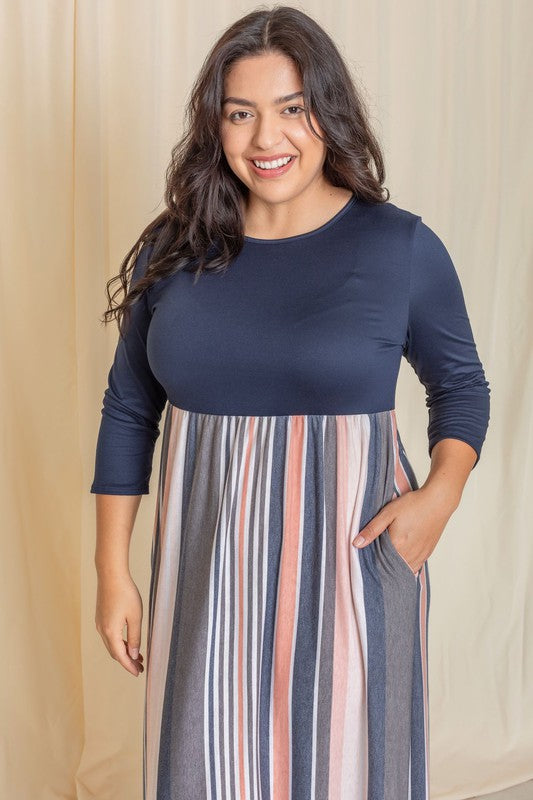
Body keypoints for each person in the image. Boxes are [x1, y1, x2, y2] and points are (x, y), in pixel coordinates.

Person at [90, 6, 490, 799]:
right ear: (216, 125)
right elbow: (128, 410)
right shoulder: (175, 250)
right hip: (202, 580)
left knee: (344, 771)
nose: (265, 139)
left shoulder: (397, 246)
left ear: (327, 115)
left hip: (351, 572)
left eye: (291, 110)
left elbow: (460, 387)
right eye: (241, 114)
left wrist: (438, 498)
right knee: (201, 771)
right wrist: (112, 572)